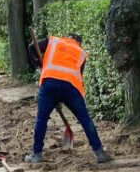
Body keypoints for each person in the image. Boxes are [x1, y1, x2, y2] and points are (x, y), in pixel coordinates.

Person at [25, 34, 111, 163]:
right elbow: (77, 75)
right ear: (79, 43)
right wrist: (60, 97)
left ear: (67, 37)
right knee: (85, 119)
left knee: (41, 119)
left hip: (49, 83)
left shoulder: (53, 41)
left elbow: (32, 47)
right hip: (71, 88)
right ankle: (99, 153)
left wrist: (38, 66)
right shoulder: (81, 53)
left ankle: (36, 155)